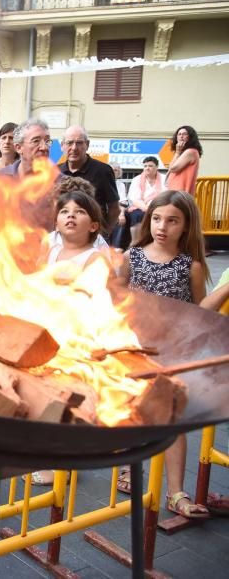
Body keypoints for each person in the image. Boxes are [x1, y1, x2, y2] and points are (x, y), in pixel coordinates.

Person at [118, 190, 209, 519]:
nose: (162, 226)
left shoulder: (191, 265)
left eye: (173, 221)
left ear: (185, 226)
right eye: (157, 218)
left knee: (173, 421)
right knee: (134, 413)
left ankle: (175, 491)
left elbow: (200, 311)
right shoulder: (134, 256)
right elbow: (117, 298)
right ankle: (130, 469)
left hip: (173, 353)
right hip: (135, 348)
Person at [57, 126, 120, 235]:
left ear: (87, 145)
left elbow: (114, 208)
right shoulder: (55, 172)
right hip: (63, 237)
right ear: (62, 145)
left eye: (79, 143)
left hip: (93, 238)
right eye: (69, 143)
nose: (74, 148)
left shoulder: (103, 171)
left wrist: (104, 233)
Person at [113, 156, 165, 249]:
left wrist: (152, 207)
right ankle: (133, 244)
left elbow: (164, 196)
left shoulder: (164, 179)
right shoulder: (137, 179)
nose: (147, 168)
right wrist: (146, 208)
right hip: (140, 207)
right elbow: (134, 199)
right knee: (137, 215)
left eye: (150, 166)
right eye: (145, 166)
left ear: (156, 167)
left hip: (159, 207)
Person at [165, 125, 202, 195]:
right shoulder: (184, 152)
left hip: (180, 192)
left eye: (184, 134)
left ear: (190, 137)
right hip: (176, 191)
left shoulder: (190, 151)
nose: (181, 136)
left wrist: (177, 152)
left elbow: (173, 168)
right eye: (179, 134)